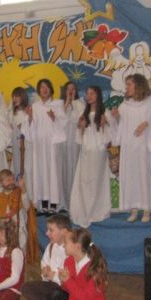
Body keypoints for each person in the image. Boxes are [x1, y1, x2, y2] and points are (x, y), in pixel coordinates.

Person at [111, 74, 151, 223]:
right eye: (126, 85)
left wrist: (146, 124)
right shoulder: (125, 105)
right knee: (132, 177)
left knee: (144, 176)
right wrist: (117, 117)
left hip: (144, 147)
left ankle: (146, 209)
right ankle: (134, 209)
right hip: (129, 148)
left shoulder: (150, 103)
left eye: (129, 84)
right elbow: (121, 127)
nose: (127, 87)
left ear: (138, 85)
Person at [46, 228, 112, 300]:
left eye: (66, 243)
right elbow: (69, 290)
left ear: (77, 246)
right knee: (54, 295)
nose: (64, 246)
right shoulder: (69, 261)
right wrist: (63, 280)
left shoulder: (94, 268)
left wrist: (68, 280)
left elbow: (86, 298)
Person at [69, 86, 115, 228]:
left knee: (96, 180)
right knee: (84, 180)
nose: (89, 96)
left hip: (98, 151)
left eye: (92, 93)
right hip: (86, 151)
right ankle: (84, 209)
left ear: (98, 95)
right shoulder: (83, 113)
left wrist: (104, 124)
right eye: (87, 93)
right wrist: (81, 127)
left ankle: (96, 210)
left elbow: (110, 136)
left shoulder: (105, 112)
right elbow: (79, 137)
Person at [21, 79, 67, 214]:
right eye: (41, 87)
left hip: (52, 146)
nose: (44, 89)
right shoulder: (35, 107)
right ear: (38, 90)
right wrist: (30, 117)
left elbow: (64, 123)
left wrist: (54, 118)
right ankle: (43, 204)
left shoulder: (57, 104)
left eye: (47, 87)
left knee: (52, 173)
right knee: (40, 173)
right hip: (39, 146)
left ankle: (53, 204)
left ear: (51, 89)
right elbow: (28, 129)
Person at [20, 214, 71, 300]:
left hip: (66, 291)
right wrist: (45, 272)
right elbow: (44, 263)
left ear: (64, 232)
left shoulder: (71, 250)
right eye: (48, 230)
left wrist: (54, 276)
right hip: (52, 286)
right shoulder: (51, 246)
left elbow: (71, 277)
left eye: (51, 230)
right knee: (26, 288)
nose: (47, 233)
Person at [61, 81, 84, 209]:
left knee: (74, 168)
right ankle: (64, 201)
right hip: (63, 142)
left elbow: (80, 119)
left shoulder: (80, 103)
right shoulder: (60, 104)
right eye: (68, 89)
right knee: (63, 170)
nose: (70, 91)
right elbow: (60, 119)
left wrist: (73, 103)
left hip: (75, 141)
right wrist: (67, 103)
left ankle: (75, 201)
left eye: (73, 89)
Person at [8, 87, 30, 177]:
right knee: (17, 164)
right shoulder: (12, 113)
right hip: (16, 142)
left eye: (17, 96)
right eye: (13, 96)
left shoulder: (28, 111)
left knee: (26, 164)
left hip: (26, 143)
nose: (15, 99)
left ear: (23, 97)